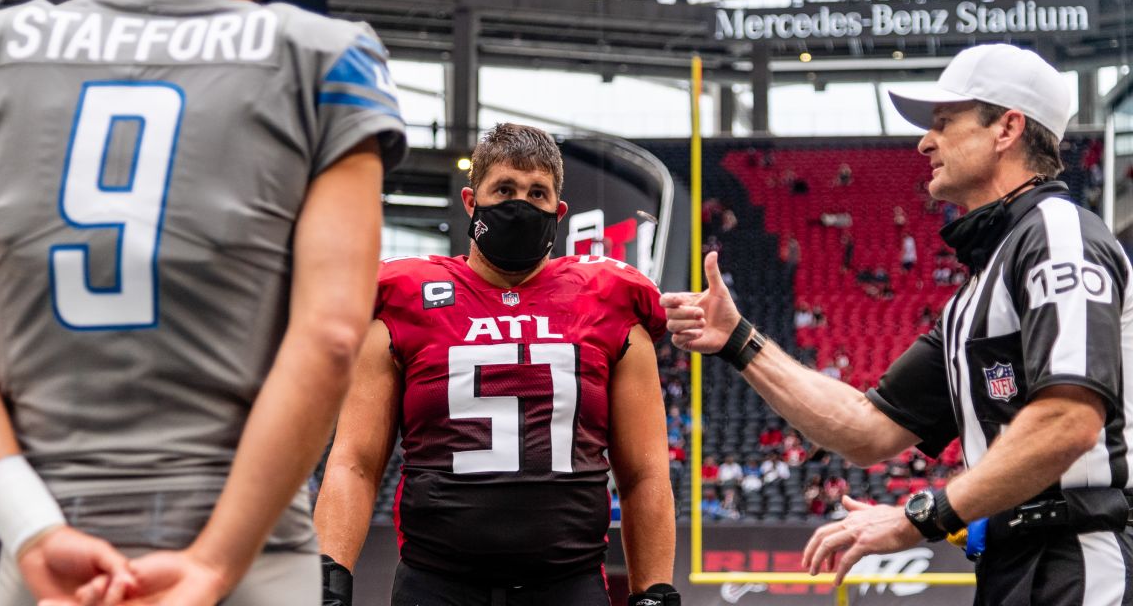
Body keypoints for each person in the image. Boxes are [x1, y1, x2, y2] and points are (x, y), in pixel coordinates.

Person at [0, 0, 405, 604]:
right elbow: (328, 337)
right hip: (248, 541)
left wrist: (35, 531)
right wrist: (215, 563)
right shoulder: (324, 59)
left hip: (56, 537)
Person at [663, 44, 1133, 603]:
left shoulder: (1058, 233)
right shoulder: (974, 294)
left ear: (1007, 128)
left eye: (943, 122)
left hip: (1079, 556)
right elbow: (868, 430)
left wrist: (919, 517)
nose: (924, 142)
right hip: (1017, 563)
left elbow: (1067, 420)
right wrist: (739, 340)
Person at [313, 124, 679, 606]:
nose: (520, 204)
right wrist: (326, 574)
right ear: (471, 200)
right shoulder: (407, 299)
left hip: (567, 587)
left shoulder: (608, 301)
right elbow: (356, 462)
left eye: (537, 193)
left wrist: (652, 591)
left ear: (558, 211)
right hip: (436, 585)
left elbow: (644, 473)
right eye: (504, 189)